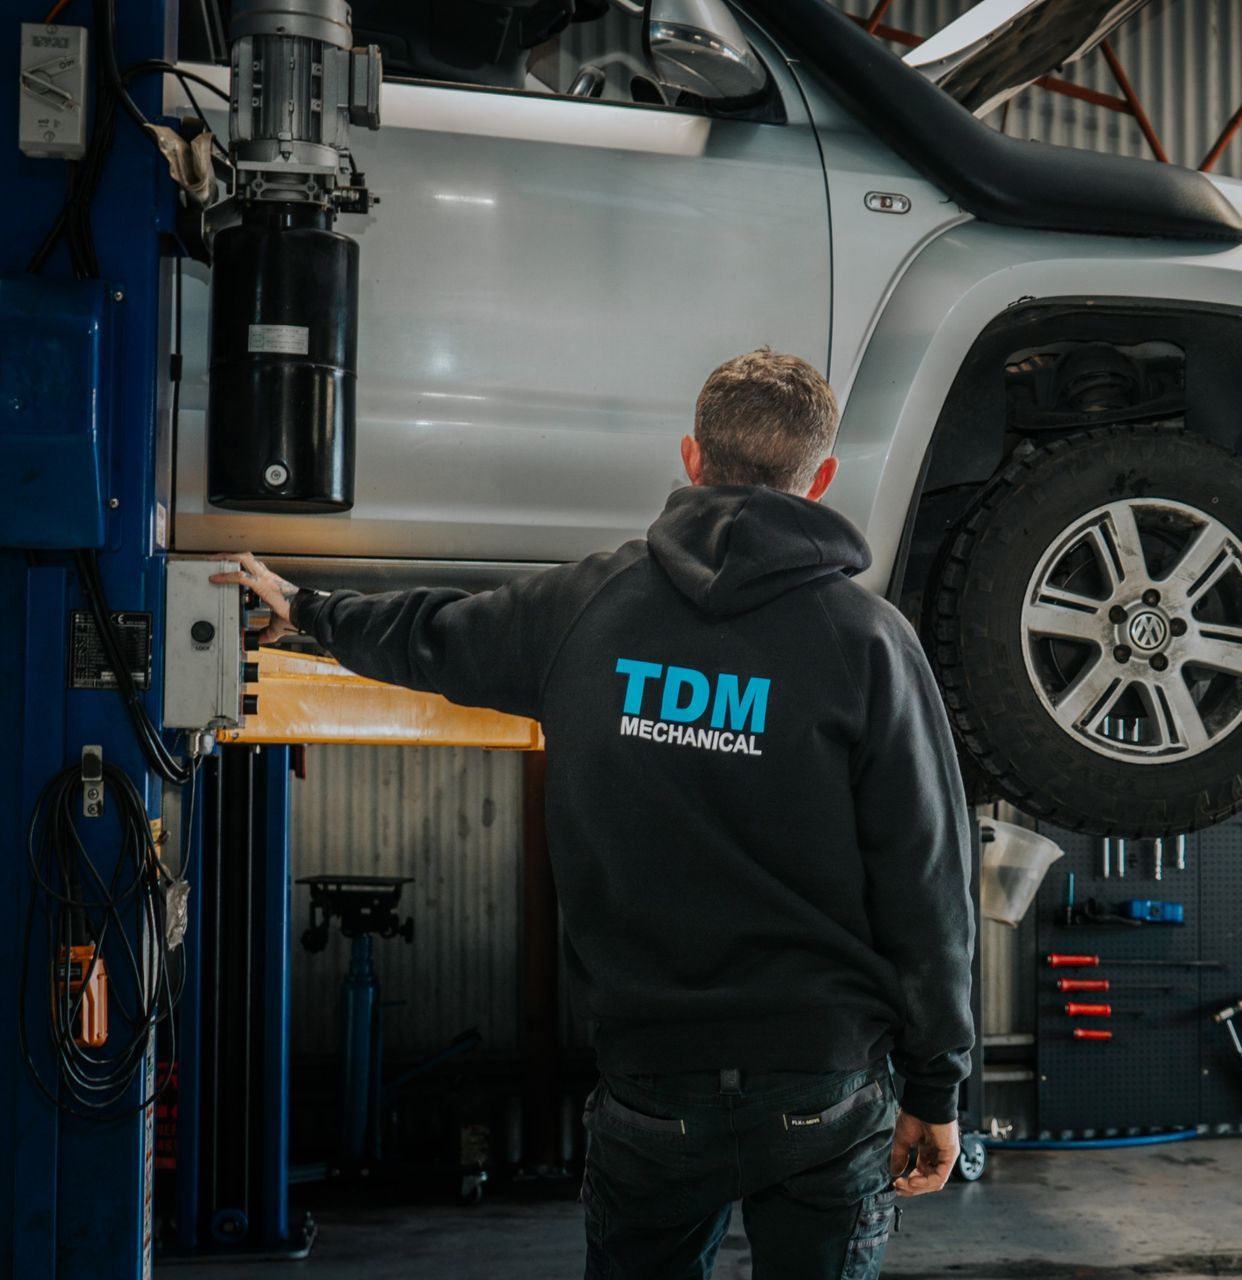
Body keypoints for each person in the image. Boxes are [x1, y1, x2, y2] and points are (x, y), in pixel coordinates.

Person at [216, 349, 975, 1279]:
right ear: (820, 480)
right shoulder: (871, 644)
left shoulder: (587, 607)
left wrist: (303, 607)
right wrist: (937, 1086)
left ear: (692, 461)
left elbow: (429, 635)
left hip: (651, 1084)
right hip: (822, 1083)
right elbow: (928, 881)